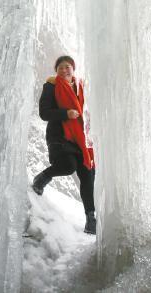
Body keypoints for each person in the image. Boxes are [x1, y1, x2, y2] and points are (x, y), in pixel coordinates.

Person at [31, 55, 96, 235]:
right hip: (59, 135)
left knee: (88, 174)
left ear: (73, 69)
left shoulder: (81, 87)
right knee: (68, 166)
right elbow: (44, 113)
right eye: (61, 67)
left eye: (67, 67)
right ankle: (42, 178)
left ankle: (91, 219)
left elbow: (87, 111)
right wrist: (66, 113)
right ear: (56, 71)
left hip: (81, 139)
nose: (64, 70)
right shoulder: (51, 86)